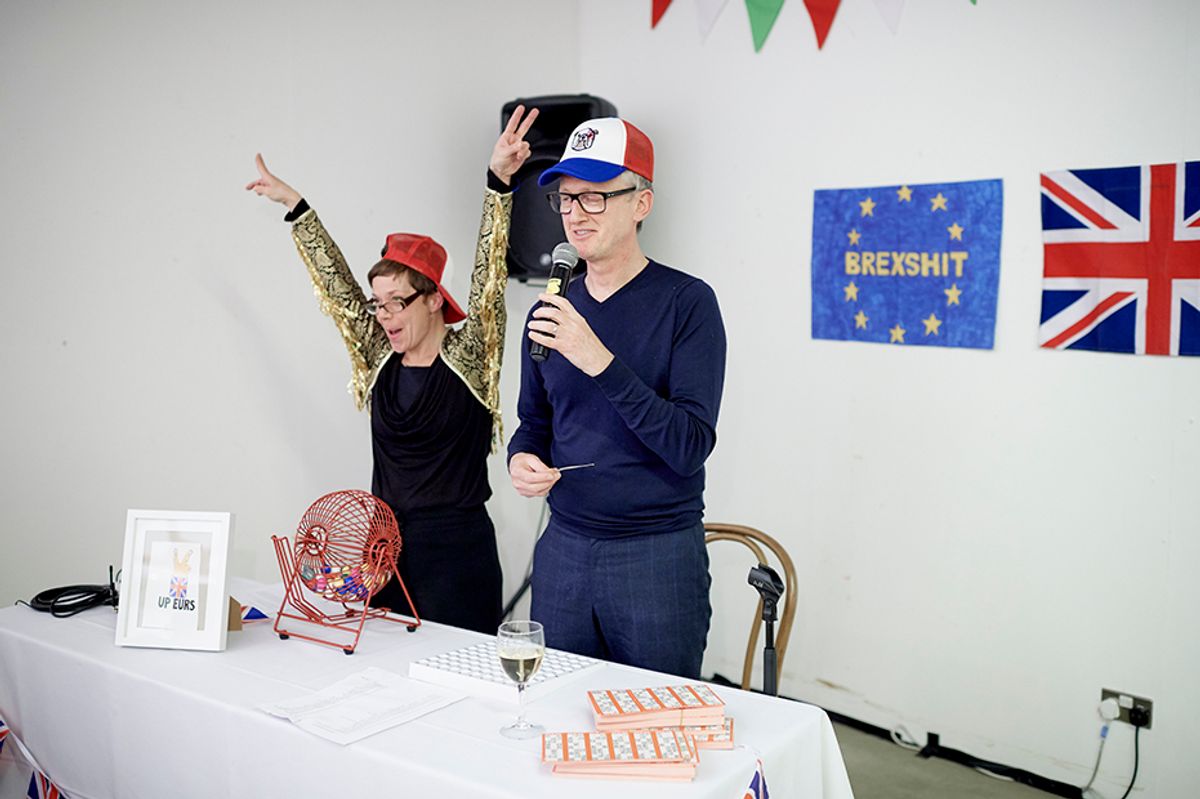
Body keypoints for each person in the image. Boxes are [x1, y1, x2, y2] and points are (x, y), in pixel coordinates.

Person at [246, 106, 539, 634]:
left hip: (458, 559)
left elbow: (490, 274)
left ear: (432, 301)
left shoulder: (470, 354)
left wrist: (498, 181)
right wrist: (295, 205)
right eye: (377, 304)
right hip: (384, 552)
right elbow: (336, 285)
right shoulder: (379, 352)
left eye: (396, 303)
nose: (382, 316)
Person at [507, 117, 726, 678]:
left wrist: (597, 359)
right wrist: (522, 458)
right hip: (565, 551)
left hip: (654, 555)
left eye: (596, 197)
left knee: (656, 729)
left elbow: (689, 445)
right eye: (566, 198)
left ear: (642, 203)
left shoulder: (687, 303)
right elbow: (534, 421)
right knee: (556, 714)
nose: (576, 213)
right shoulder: (549, 310)